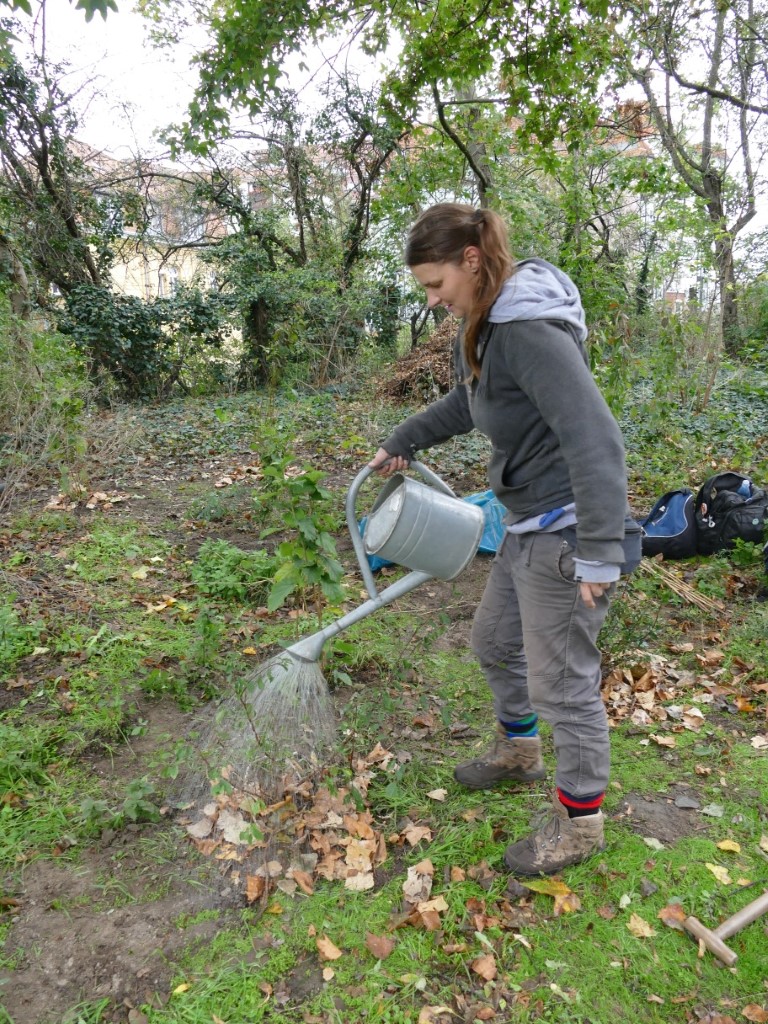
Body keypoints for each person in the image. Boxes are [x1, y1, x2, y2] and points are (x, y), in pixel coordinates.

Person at [369, 203, 638, 876]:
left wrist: (602, 550)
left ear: (470, 259)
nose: (433, 301)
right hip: (526, 524)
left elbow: (594, 437)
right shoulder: (488, 325)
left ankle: (581, 824)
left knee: (565, 688)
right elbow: (473, 401)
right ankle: (520, 751)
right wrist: (405, 438)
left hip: (566, 532)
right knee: (492, 641)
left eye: (436, 285)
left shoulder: (527, 331)